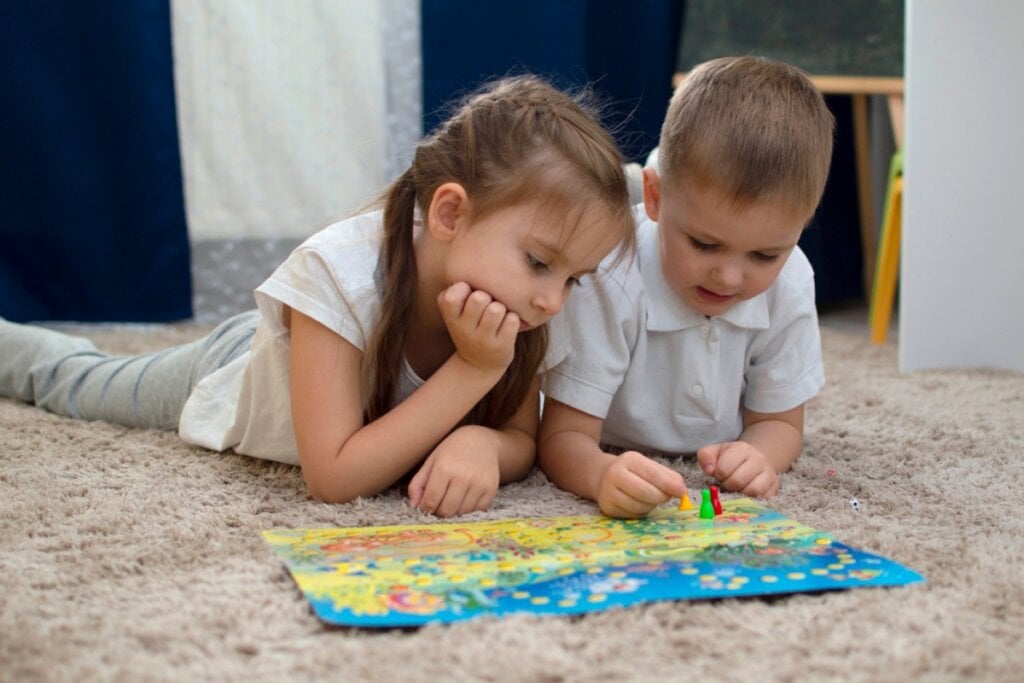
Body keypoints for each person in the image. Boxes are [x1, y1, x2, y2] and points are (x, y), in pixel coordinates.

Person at [0, 75, 635, 517]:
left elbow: (520, 440)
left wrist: (483, 444)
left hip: (306, 350)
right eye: (540, 263)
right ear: (448, 214)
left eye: (573, 278)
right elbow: (333, 479)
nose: (554, 300)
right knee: (80, 383)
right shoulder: (343, 273)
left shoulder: (525, 307)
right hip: (232, 372)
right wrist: (473, 372)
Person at [538, 56, 835, 518]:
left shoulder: (792, 279)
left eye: (764, 256)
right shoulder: (609, 272)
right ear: (655, 198)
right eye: (704, 244)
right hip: (607, 441)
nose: (730, 277)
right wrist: (600, 474)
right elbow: (561, 437)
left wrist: (759, 456)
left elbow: (779, 422)